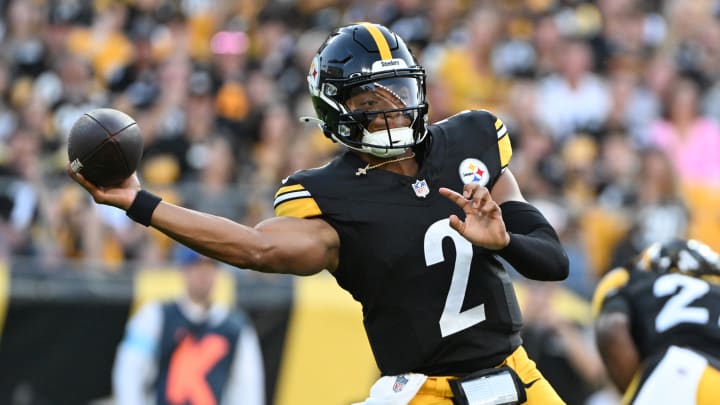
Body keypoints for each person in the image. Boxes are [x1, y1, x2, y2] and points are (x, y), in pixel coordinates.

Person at [72, 23, 569, 405]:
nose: (394, 112)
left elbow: (552, 261)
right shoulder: (332, 195)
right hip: (424, 391)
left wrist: (506, 243)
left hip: (515, 372)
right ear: (337, 111)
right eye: (373, 102)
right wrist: (141, 203)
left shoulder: (470, 142)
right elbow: (255, 248)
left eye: (401, 93)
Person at [112, 246, 265, 405]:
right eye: (197, 266)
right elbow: (129, 372)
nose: (203, 274)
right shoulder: (155, 316)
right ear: (183, 269)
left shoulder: (236, 327)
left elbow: (248, 387)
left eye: (210, 266)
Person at [592, 239, 720, 404]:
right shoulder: (714, 291)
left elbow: (612, 330)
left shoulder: (631, 280)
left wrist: (635, 387)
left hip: (673, 374)